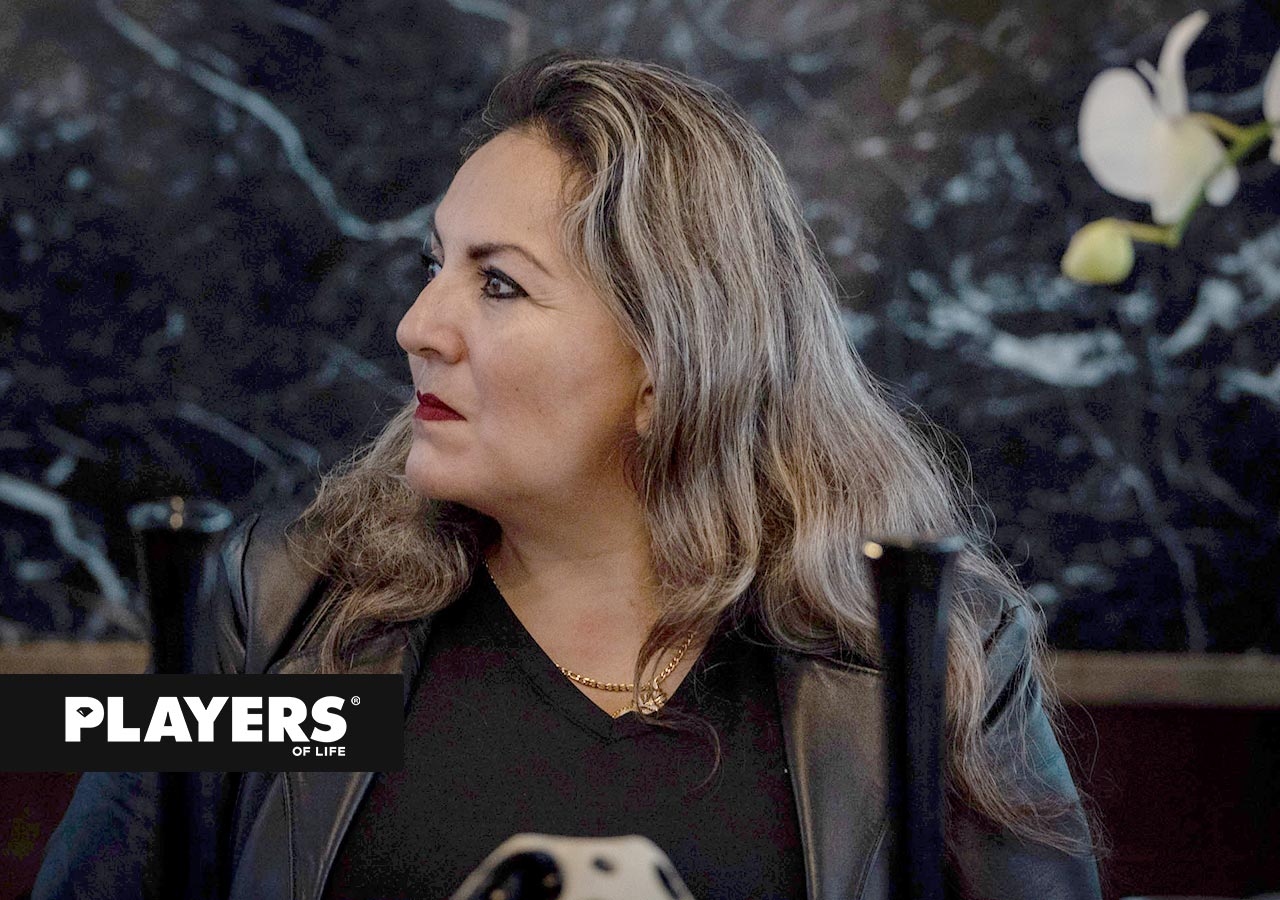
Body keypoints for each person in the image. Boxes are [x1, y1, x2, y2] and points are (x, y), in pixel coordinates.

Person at [34, 50, 1103, 900]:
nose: (417, 326)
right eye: (434, 265)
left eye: (497, 284)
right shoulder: (275, 613)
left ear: (666, 364)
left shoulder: (915, 653)